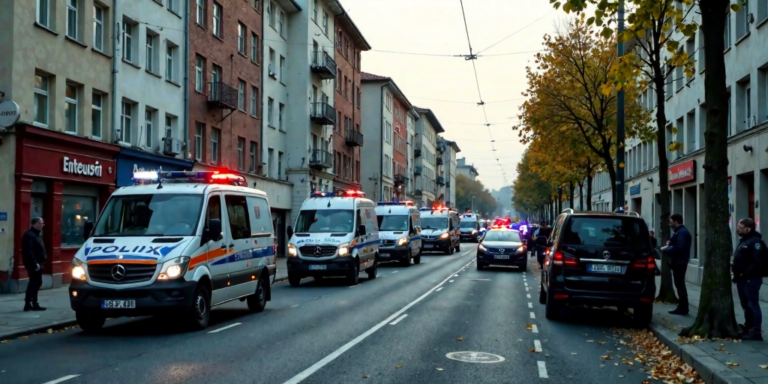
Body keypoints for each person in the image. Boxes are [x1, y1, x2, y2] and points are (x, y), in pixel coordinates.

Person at [732, 218, 764, 341]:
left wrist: (743, 274)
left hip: (751, 279)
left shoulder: (755, 242)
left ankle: (756, 331)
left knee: (752, 305)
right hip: (742, 279)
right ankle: (748, 326)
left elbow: (757, 262)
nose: (737, 230)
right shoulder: (745, 240)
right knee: (746, 305)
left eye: (740, 228)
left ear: (748, 229)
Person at [661, 213, 692, 316]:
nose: (669, 224)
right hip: (679, 262)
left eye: (670, 221)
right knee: (679, 285)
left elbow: (679, 248)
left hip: (679, 262)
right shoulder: (679, 232)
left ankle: (683, 308)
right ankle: (682, 307)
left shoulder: (681, 233)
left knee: (680, 285)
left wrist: (665, 249)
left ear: (676, 221)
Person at [21, 217, 47, 311]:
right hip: (34, 264)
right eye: (41, 223)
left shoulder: (36, 235)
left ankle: (32, 303)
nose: (43, 225)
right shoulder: (29, 235)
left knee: (36, 282)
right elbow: (29, 251)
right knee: (34, 283)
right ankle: (30, 303)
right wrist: (35, 263)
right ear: (36, 224)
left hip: (39, 263)